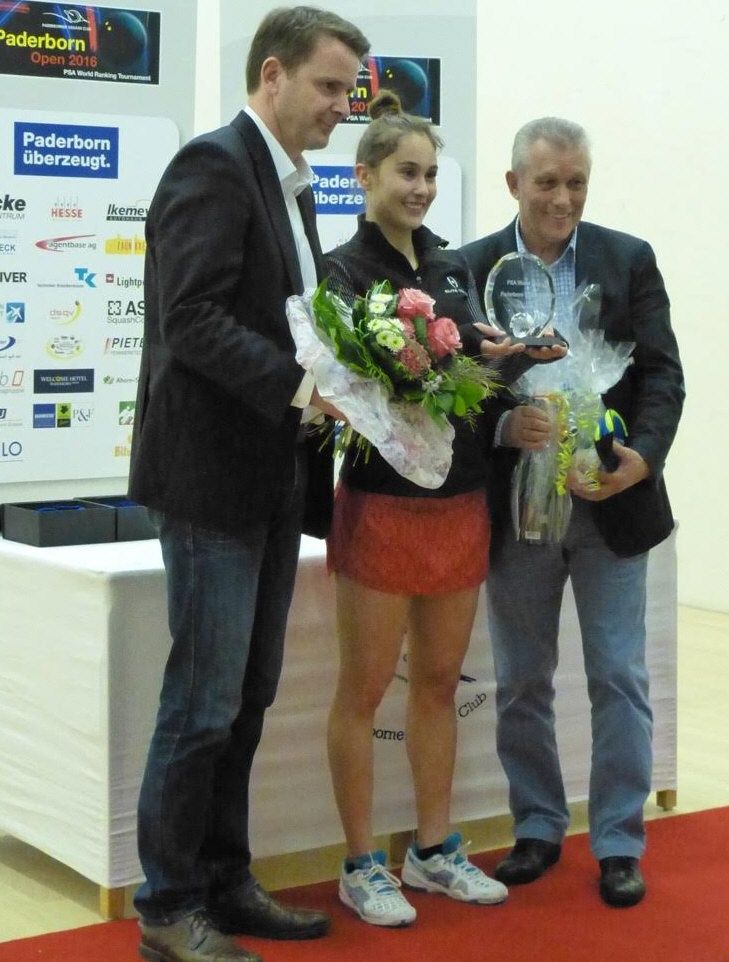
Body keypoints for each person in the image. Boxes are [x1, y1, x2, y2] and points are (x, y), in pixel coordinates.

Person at [128, 8, 369, 962]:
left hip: (272, 476)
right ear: (272, 75)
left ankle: (224, 882)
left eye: (350, 91)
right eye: (328, 86)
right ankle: (166, 905)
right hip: (209, 482)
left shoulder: (291, 185)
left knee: (247, 696)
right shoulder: (213, 166)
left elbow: (288, 323)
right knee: (201, 704)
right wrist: (306, 389)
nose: (342, 106)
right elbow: (188, 319)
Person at [461, 117, 685, 908]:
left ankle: (619, 839)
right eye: (547, 182)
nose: (563, 199)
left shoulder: (628, 259)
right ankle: (536, 824)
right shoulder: (469, 269)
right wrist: (502, 427)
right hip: (514, 510)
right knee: (521, 677)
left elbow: (662, 376)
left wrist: (640, 460)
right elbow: (452, 394)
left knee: (617, 674)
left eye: (576, 182)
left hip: (609, 504)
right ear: (513, 183)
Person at [323, 90, 513, 929]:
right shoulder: (340, 272)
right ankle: (361, 863)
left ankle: (432, 851)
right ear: (364, 176)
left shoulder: (452, 266)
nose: (422, 188)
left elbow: (471, 376)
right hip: (382, 502)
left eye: (431, 174)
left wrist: (502, 359)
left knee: (437, 682)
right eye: (406, 172)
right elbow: (344, 387)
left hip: (460, 500)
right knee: (363, 691)